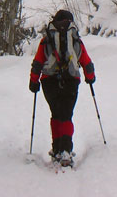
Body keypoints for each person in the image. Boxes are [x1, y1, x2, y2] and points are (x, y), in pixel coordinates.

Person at [29, 10, 95, 165]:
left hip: (49, 81)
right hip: (71, 80)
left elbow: (38, 61)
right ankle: (66, 151)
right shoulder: (75, 39)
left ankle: (57, 149)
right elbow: (86, 60)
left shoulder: (47, 39)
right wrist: (90, 78)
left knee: (56, 114)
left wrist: (34, 81)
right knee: (66, 115)